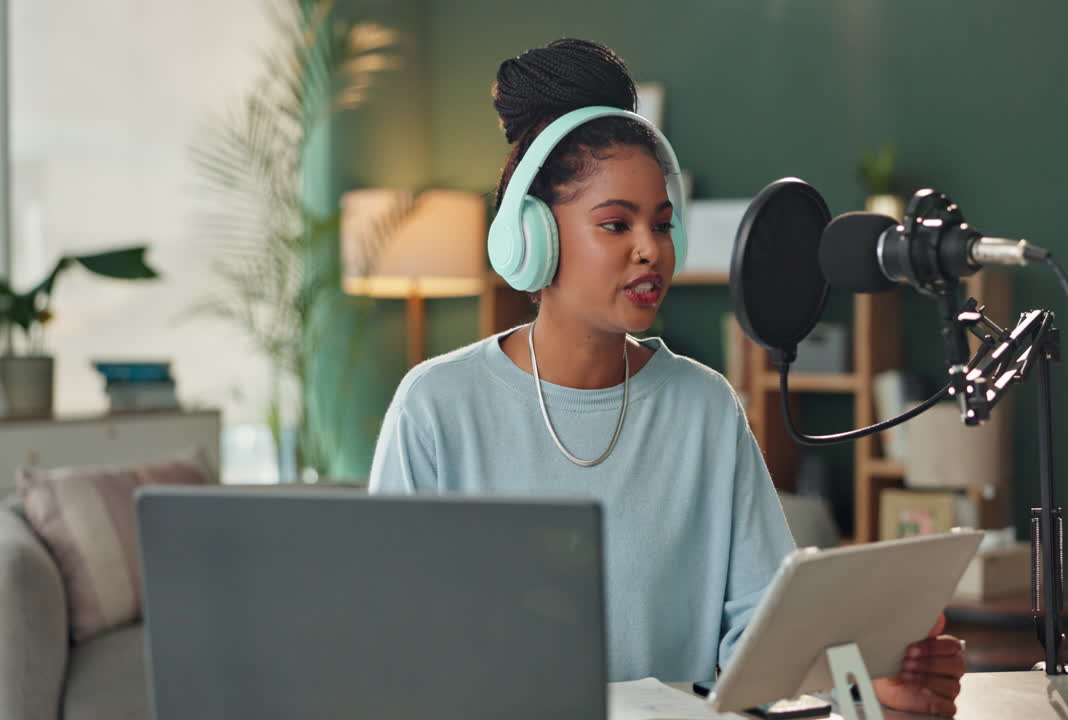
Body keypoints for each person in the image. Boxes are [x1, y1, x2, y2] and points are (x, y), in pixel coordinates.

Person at [368, 38, 965, 716]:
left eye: (662, 222)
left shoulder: (705, 406)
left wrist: (872, 689)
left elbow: (764, 638)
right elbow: (391, 643)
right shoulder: (438, 406)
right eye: (615, 224)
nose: (650, 248)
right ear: (533, 237)